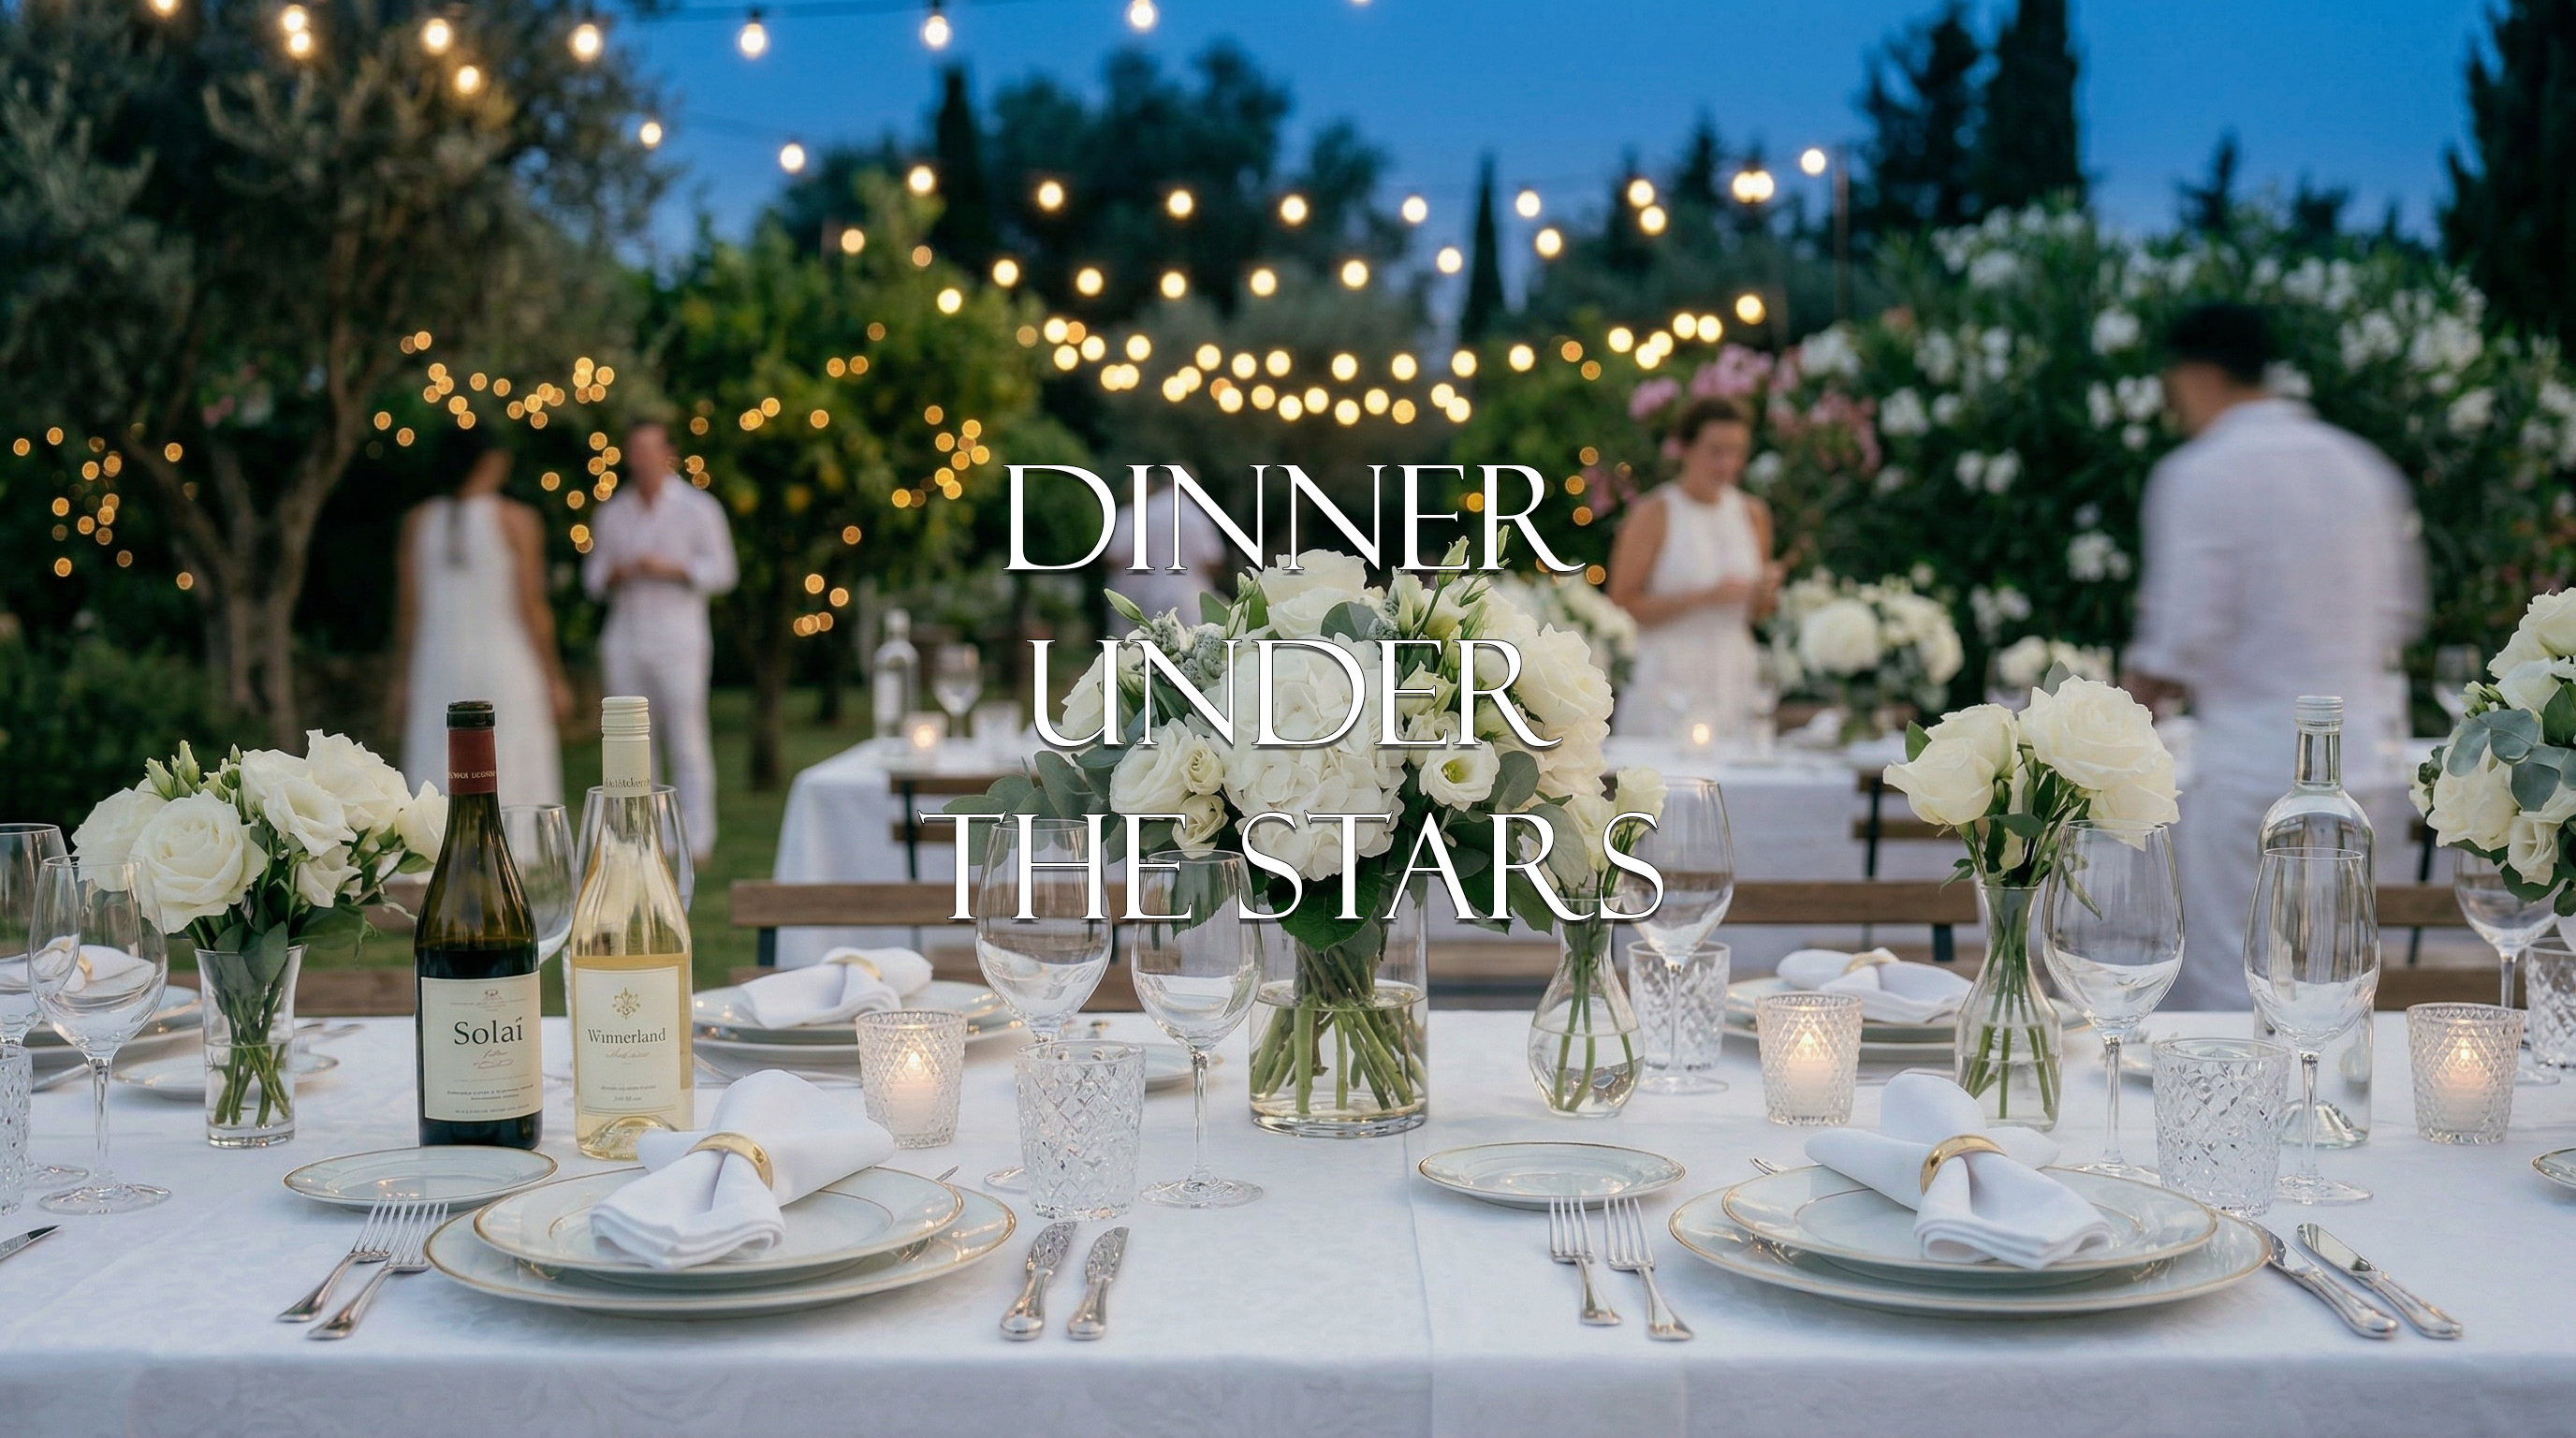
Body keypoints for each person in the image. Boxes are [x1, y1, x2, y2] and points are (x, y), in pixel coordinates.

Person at [2124, 302, 2425, 1010]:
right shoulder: (2362, 468)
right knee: (2338, 986)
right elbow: (2399, 619)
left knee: (2236, 989)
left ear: (2198, 377)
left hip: (2251, 781)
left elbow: (2176, 644)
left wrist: (2099, 735)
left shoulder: (2199, 474)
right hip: (2363, 773)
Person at [583, 420, 738, 863]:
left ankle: (696, 836)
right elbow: (593, 578)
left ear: (667, 452)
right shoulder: (612, 512)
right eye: (635, 451)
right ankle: (638, 833)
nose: (642, 459)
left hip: (680, 639)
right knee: (629, 743)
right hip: (625, 638)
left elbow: (723, 571)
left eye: (650, 450)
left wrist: (671, 568)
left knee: (686, 736)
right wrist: (616, 574)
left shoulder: (698, 508)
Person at [393, 429, 571, 807]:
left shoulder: (418, 521)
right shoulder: (517, 519)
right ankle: (518, 849)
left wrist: (401, 678)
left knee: (435, 755)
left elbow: (407, 615)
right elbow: (533, 606)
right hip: (505, 661)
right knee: (510, 757)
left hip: (436, 663)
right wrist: (554, 675)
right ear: (491, 462)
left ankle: (433, 849)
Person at [1604, 395, 1779, 739]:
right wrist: (1703, 598)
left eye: (1736, 451)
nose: (1726, 463)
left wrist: (1765, 593)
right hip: (1668, 676)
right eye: (1715, 451)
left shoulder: (1753, 513)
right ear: (1685, 448)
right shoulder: (1654, 512)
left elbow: (1758, 614)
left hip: (1734, 672)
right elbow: (1621, 602)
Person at [1105, 474, 1233, 628]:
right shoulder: (1195, 513)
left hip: (1151, 594)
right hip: (1191, 596)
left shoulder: (1145, 511)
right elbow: (1213, 560)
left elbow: (1118, 554)